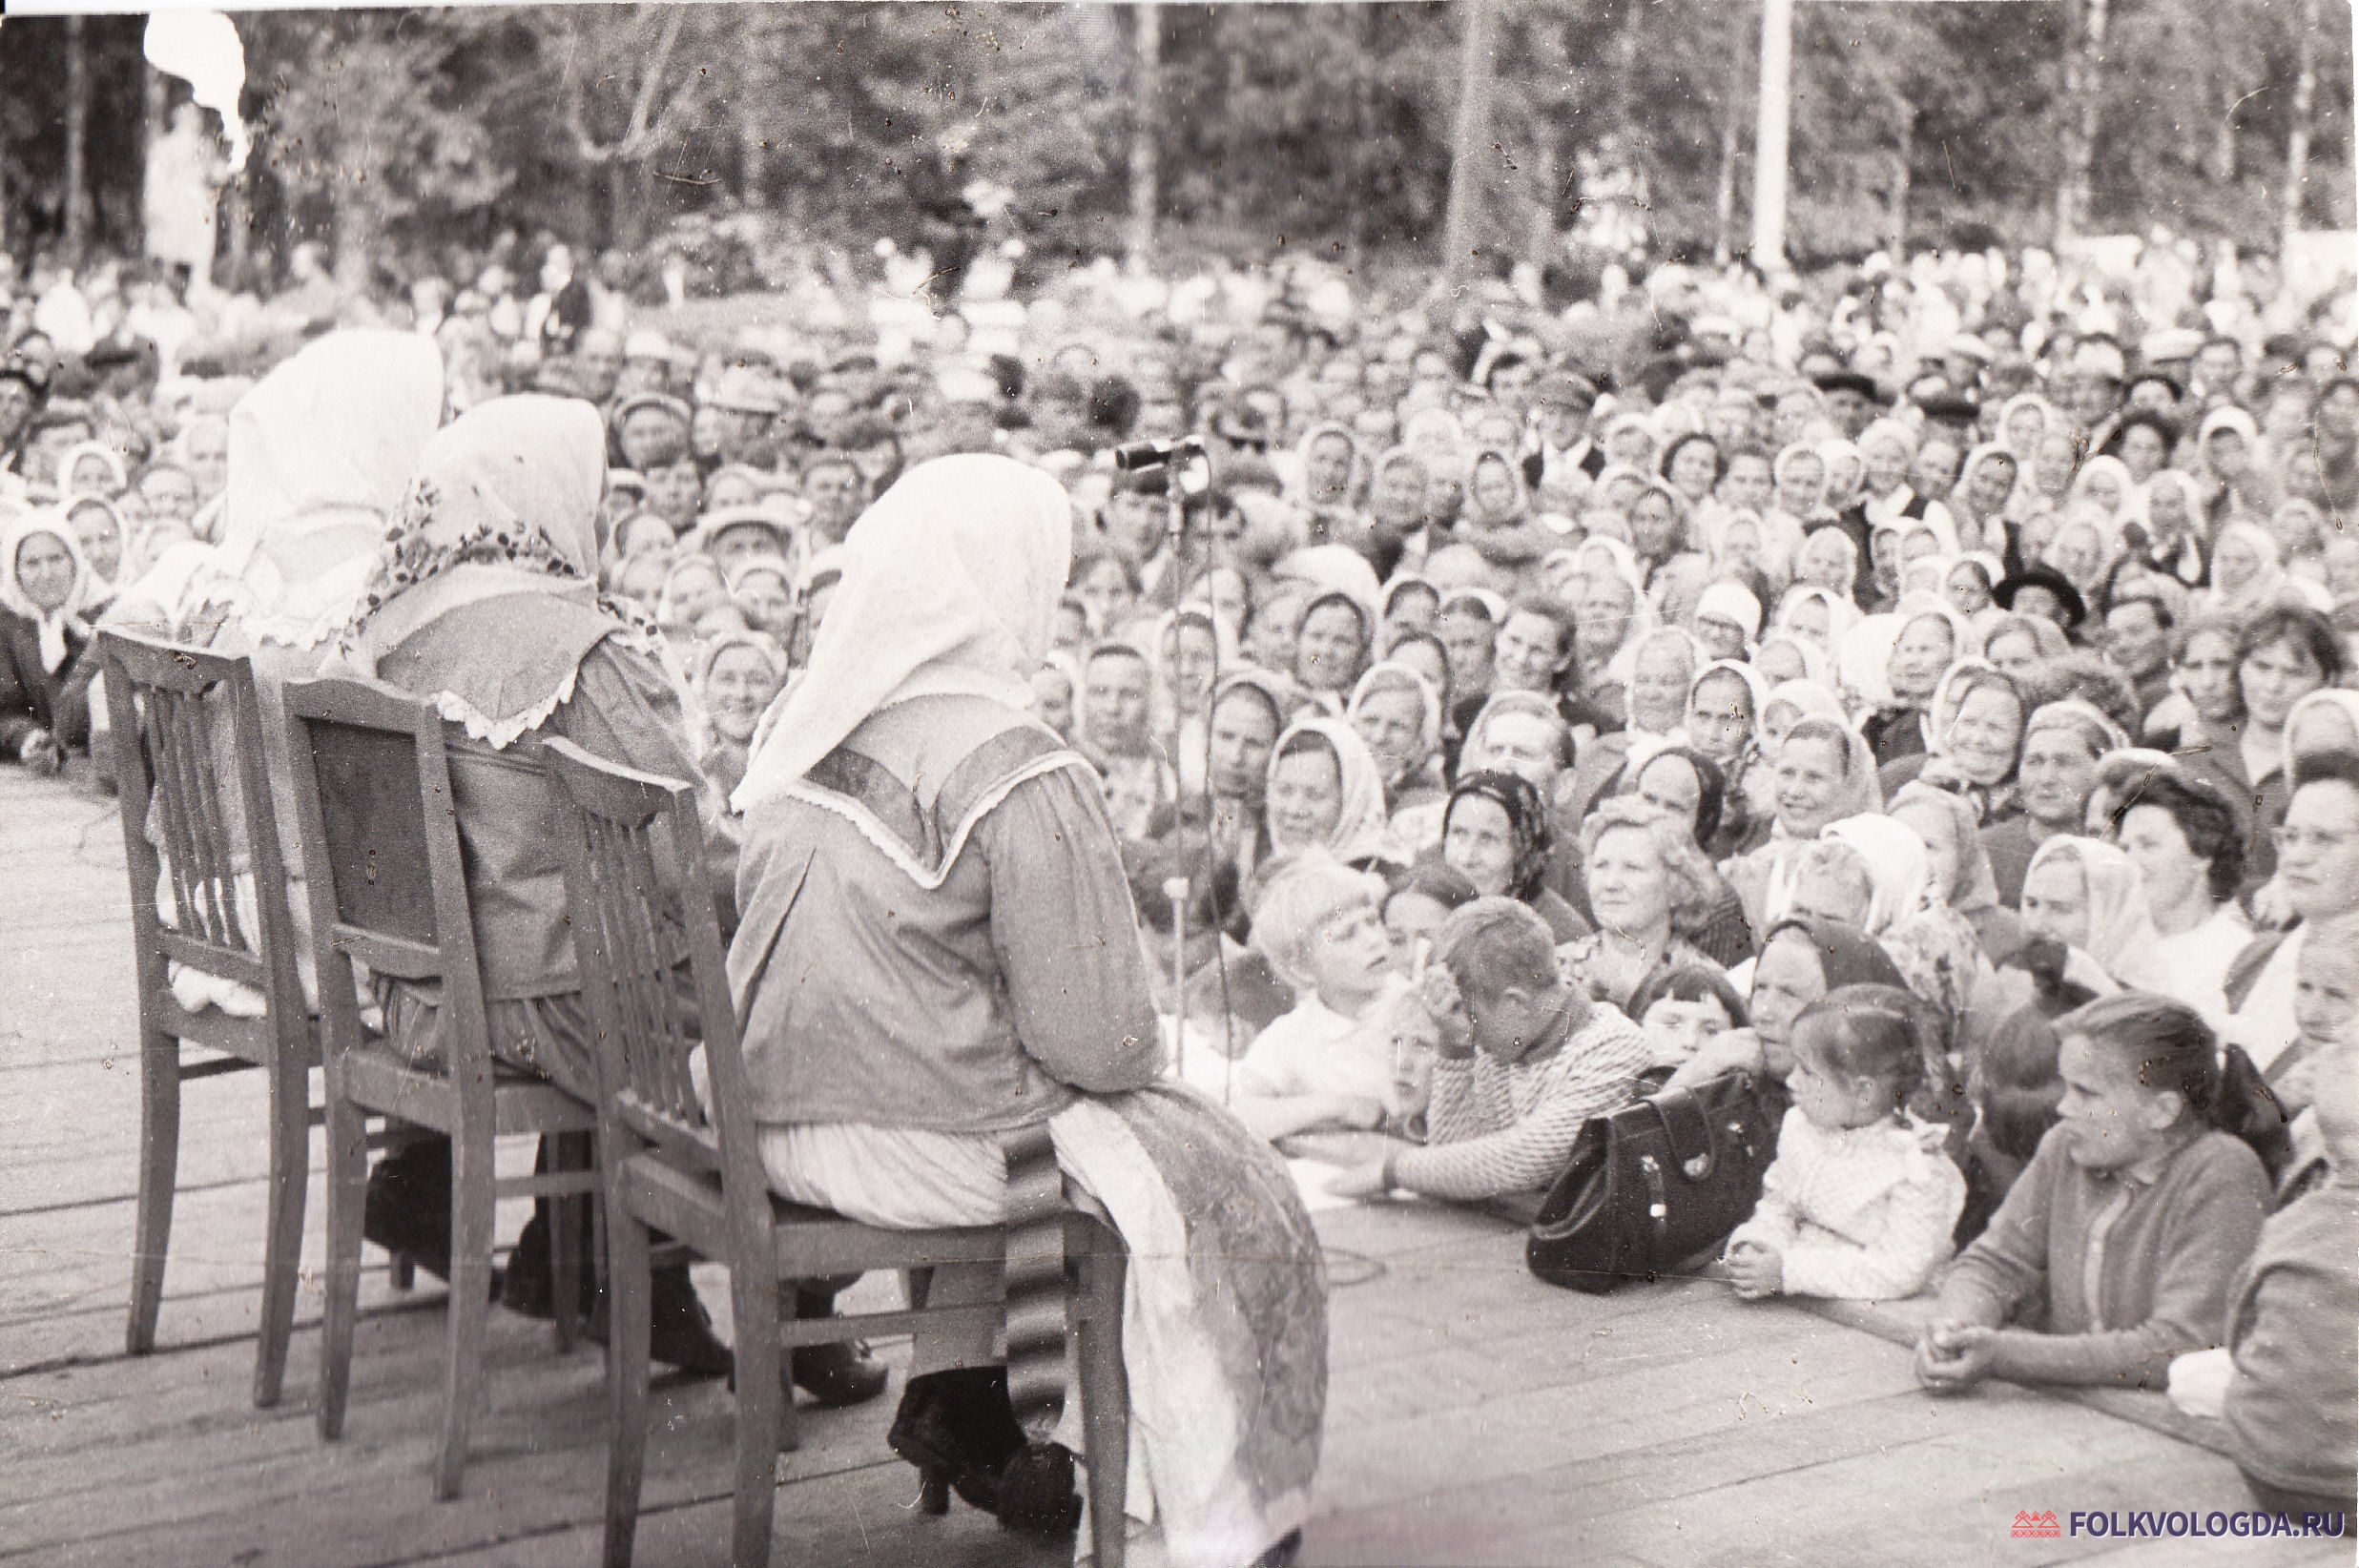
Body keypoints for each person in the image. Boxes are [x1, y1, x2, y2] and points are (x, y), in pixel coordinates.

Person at [724, 454, 1325, 1559]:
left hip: (764, 1121)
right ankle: (1203, 1502)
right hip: (907, 1148)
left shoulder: (807, 726)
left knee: (1023, 1104)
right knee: (1200, 1173)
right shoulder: (1016, 765)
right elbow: (1098, 1042)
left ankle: (964, 1401)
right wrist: (1149, 1052)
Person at [337, 395, 880, 1400]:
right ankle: (799, 1319)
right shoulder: (577, 649)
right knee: (775, 1010)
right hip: (548, 1010)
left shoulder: (382, 625)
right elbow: (687, 839)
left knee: (618, 940)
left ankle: (576, 1259)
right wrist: (795, 896)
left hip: (419, 997)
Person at [1916, 995, 2269, 1394]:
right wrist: (1954, 1328)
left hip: (2172, 1426)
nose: (2064, 1107)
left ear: (2161, 1111)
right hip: (2084, 1411)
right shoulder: (2066, 1146)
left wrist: (2007, 1355)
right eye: (2066, 1087)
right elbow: (1995, 1263)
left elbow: (2180, 1346)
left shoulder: (2221, 1173)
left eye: (2086, 1092)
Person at [1329, 897, 1650, 1202]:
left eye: (1468, 1015)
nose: (1470, 1031)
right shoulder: (1509, 1036)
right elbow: (1456, 1151)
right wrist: (1454, 1045)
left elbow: (1521, 1158)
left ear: (1516, 1003)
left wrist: (1394, 1171)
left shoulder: (1615, 1049)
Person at [2169, 1010, 2359, 1518]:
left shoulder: (2292, 1217)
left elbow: (2241, 1330)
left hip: (2267, 1469)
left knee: (2199, 1374)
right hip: (2349, 1487)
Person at [1723, 984, 1966, 1301]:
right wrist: (1757, 1245)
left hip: (1881, 1312)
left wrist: (1789, 1271)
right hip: (1801, 1297)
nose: (1792, 1080)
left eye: (1807, 1072)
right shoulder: (1802, 1127)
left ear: (1863, 1092)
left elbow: (1899, 1270)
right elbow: (1779, 1208)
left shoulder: (1915, 1166)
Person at [1227, 854, 1412, 1140]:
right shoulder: (1294, 1035)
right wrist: (1336, 1106)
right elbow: (1238, 1116)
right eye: (1347, 934)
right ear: (1302, 966)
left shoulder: (1415, 1005)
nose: (1374, 940)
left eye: (1372, 922)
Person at [2106, 770, 2251, 1018]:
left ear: (2203, 854)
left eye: (2148, 845)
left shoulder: (2238, 956)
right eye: (2125, 848)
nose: (2129, 861)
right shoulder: (2113, 945)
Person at [1561, 798, 1728, 1010]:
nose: (1611, 883)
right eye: (1601, 866)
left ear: (1677, 886)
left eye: (1633, 868)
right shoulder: (1555, 970)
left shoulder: (1711, 985)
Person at [1981, 701, 2122, 907]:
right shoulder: (1985, 850)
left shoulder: (2120, 850)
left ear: (2101, 770)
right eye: (2034, 762)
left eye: (2065, 762)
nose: (2046, 778)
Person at [1438, 769, 1588, 941]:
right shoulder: (1430, 910)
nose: (1466, 857)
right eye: (1459, 834)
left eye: (1488, 838)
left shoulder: (1559, 932)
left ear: (1522, 849)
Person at [0, 509, 95, 773]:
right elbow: (3, 710)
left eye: (56, 559)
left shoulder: (100, 613)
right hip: (36, 780)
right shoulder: (6, 626)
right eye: (32, 563)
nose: (47, 573)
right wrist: (26, 737)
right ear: (15, 571)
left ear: (74, 561)